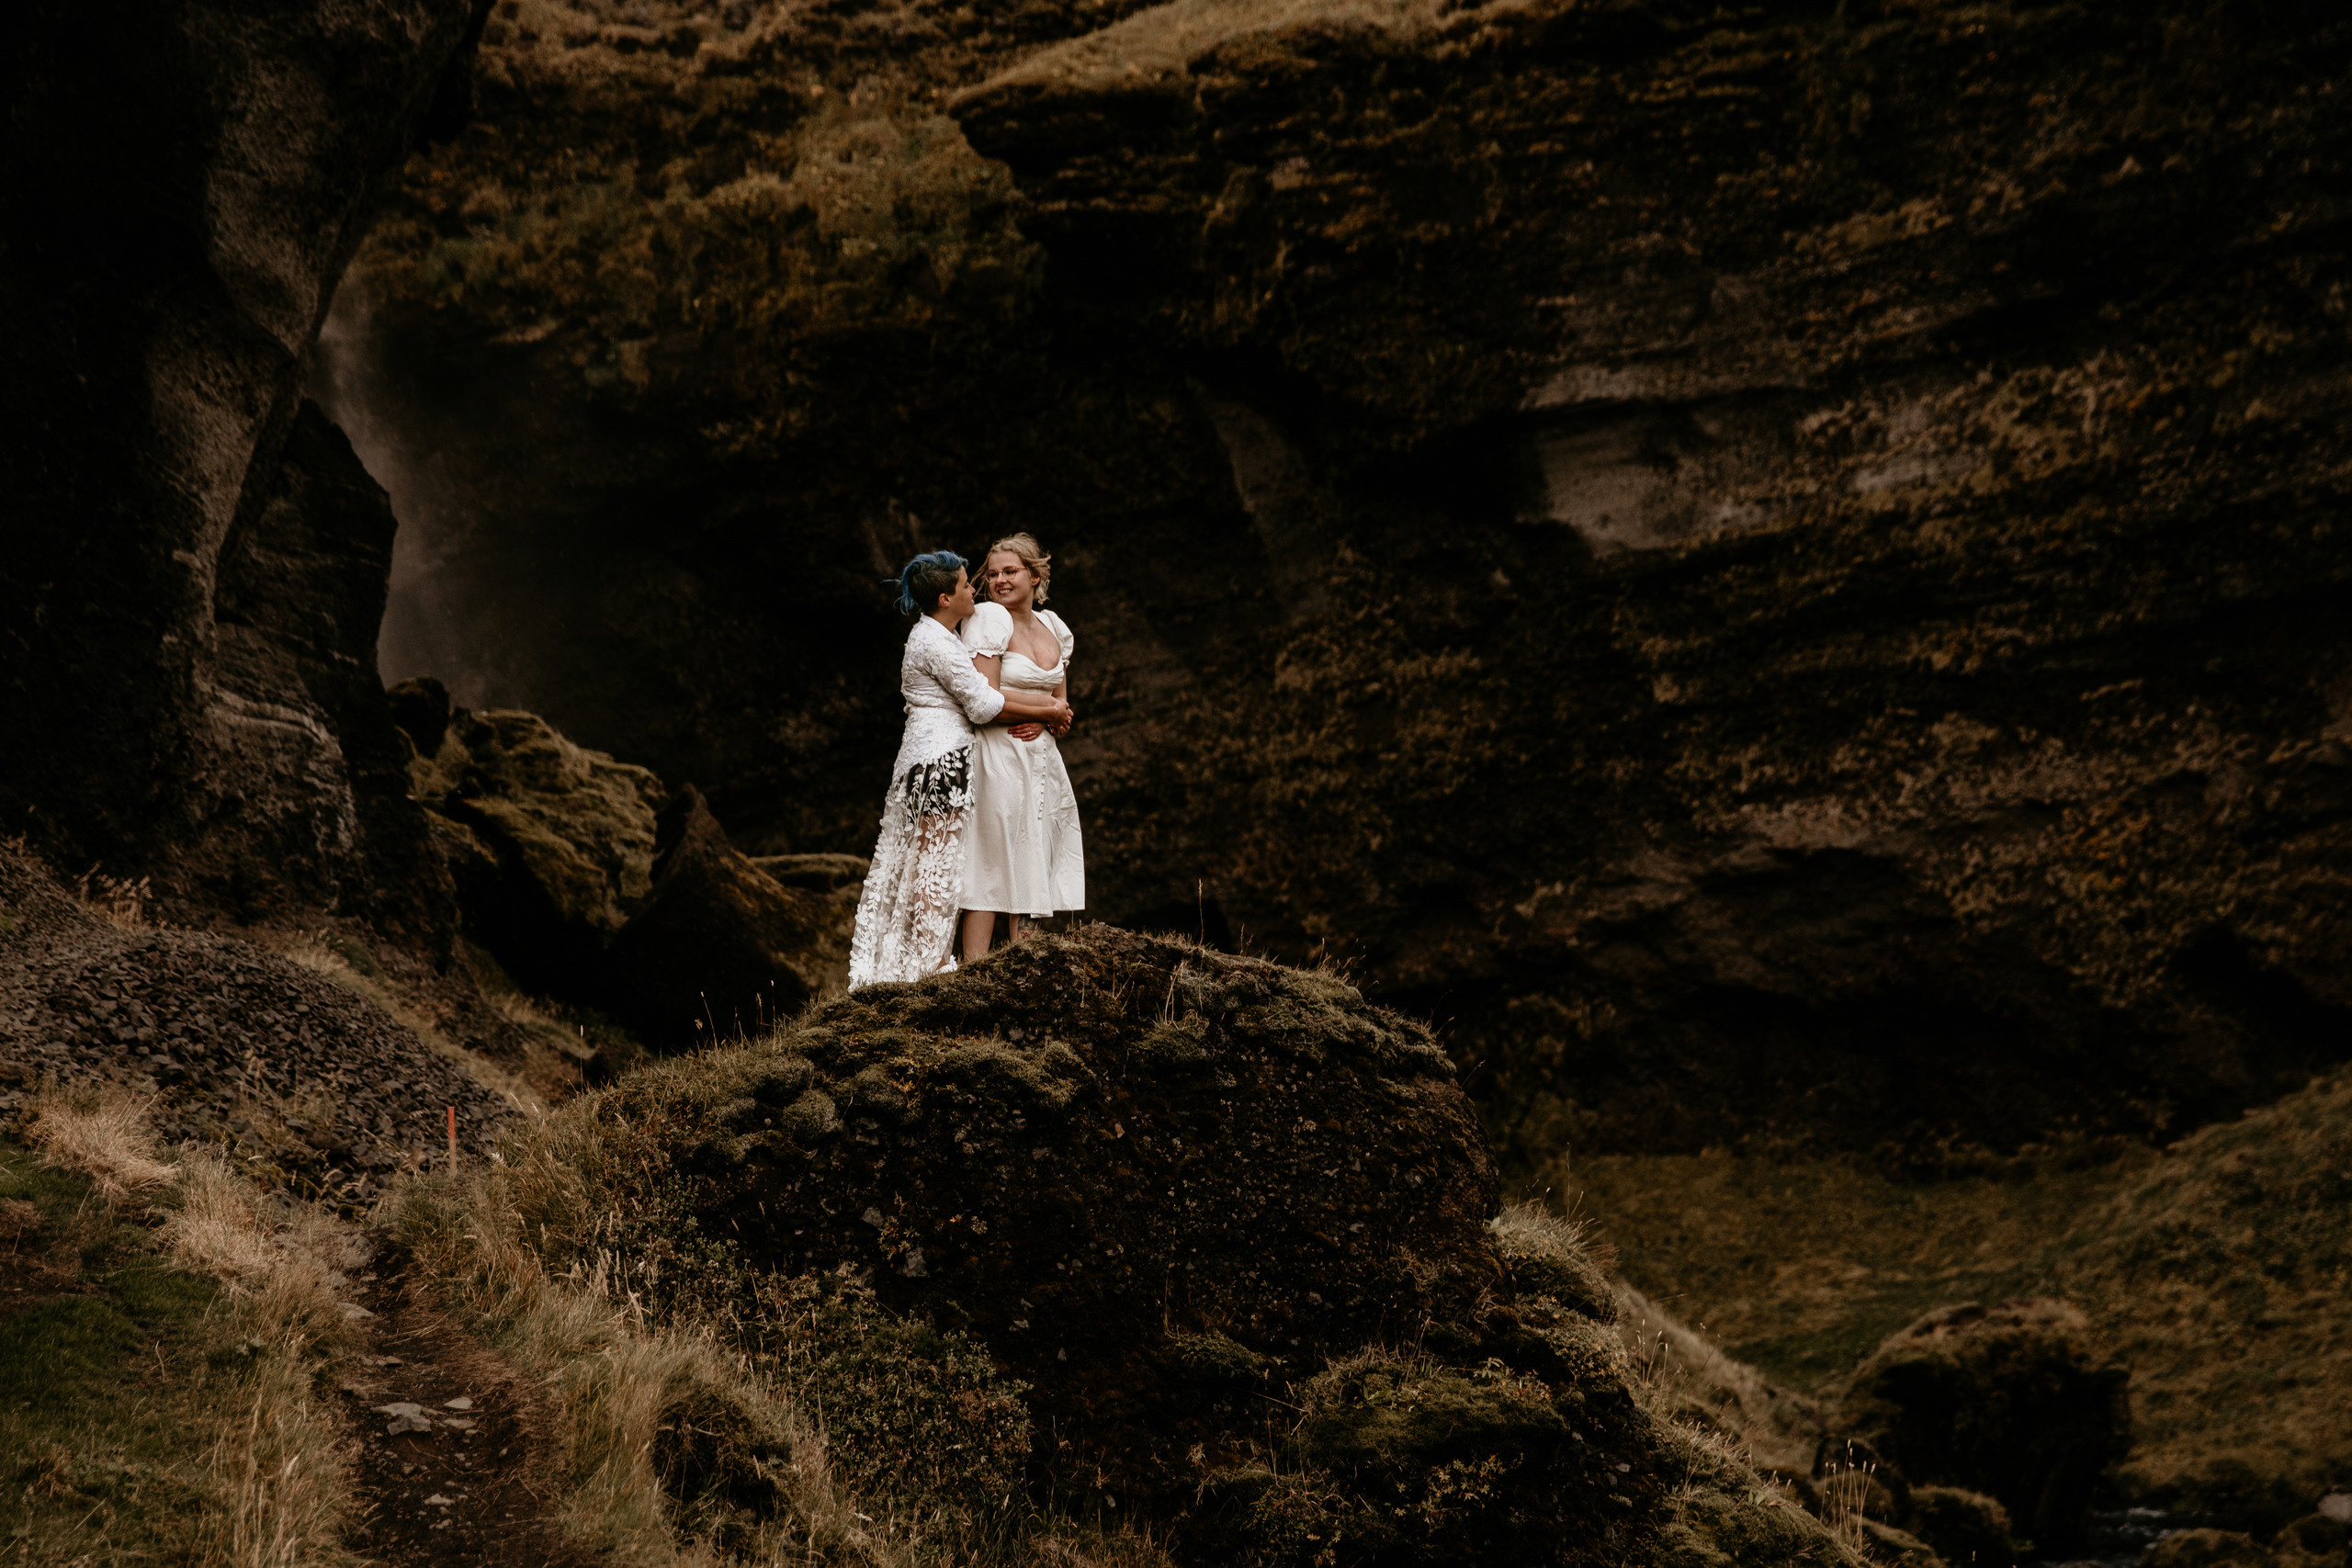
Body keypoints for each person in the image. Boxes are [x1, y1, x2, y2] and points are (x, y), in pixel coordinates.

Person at [848, 550, 1071, 987]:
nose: (978, 588)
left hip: (937, 760)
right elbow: (983, 703)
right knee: (934, 866)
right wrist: (1049, 707)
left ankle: (924, 963)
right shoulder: (933, 641)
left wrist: (1048, 710)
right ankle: (927, 967)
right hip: (939, 762)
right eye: (969, 584)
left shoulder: (940, 636)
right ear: (947, 598)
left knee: (935, 864)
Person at [958, 533, 1086, 963]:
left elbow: (1062, 704)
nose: (999, 580)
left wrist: (1050, 720)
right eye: (992, 574)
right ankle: (973, 972)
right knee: (990, 858)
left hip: (1042, 757)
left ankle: (1023, 963)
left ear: (1034, 576)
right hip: (999, 753)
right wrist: (1046, 711)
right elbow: (983, 703)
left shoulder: (1054, 626)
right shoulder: (989, 620)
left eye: (1009, 571)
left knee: (1036, 853)